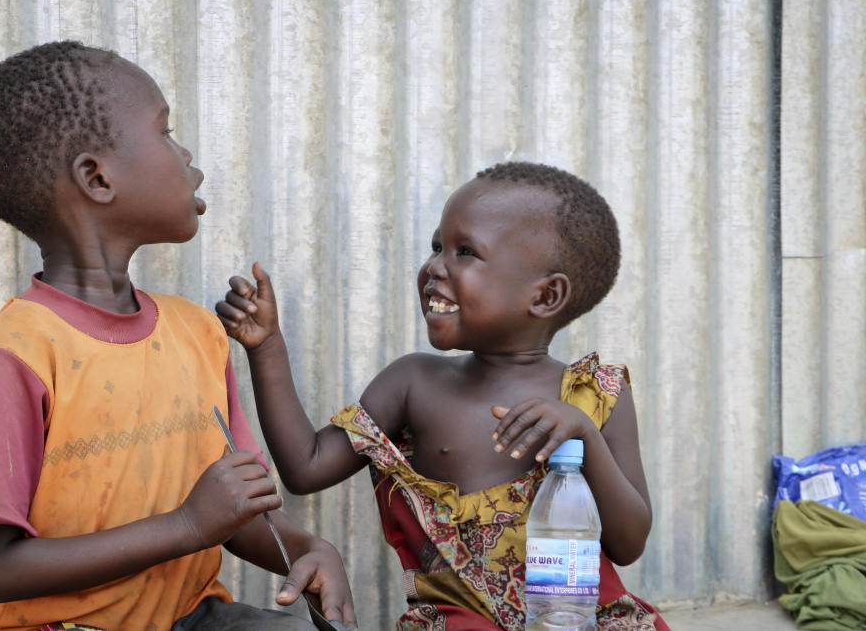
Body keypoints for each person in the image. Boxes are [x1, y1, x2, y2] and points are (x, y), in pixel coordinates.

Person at [0, 40, 357, 631]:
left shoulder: (195, 332)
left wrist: (311, 549)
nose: (189, 155)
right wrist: (186, 527)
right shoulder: (17, 351)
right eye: (166, 132)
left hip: (193, 617)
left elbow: (230, 511)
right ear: (97, 178)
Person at [217, 162, 670, 630]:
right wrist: (267, 346)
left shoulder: (596, 396)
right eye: (437, 247)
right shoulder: (415, 383)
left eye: (465, 252)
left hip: (578, 617)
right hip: (463, 620)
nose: (435, 266)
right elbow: (305, 465)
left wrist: (584, 440)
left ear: (545, 296)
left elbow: (629, 543)